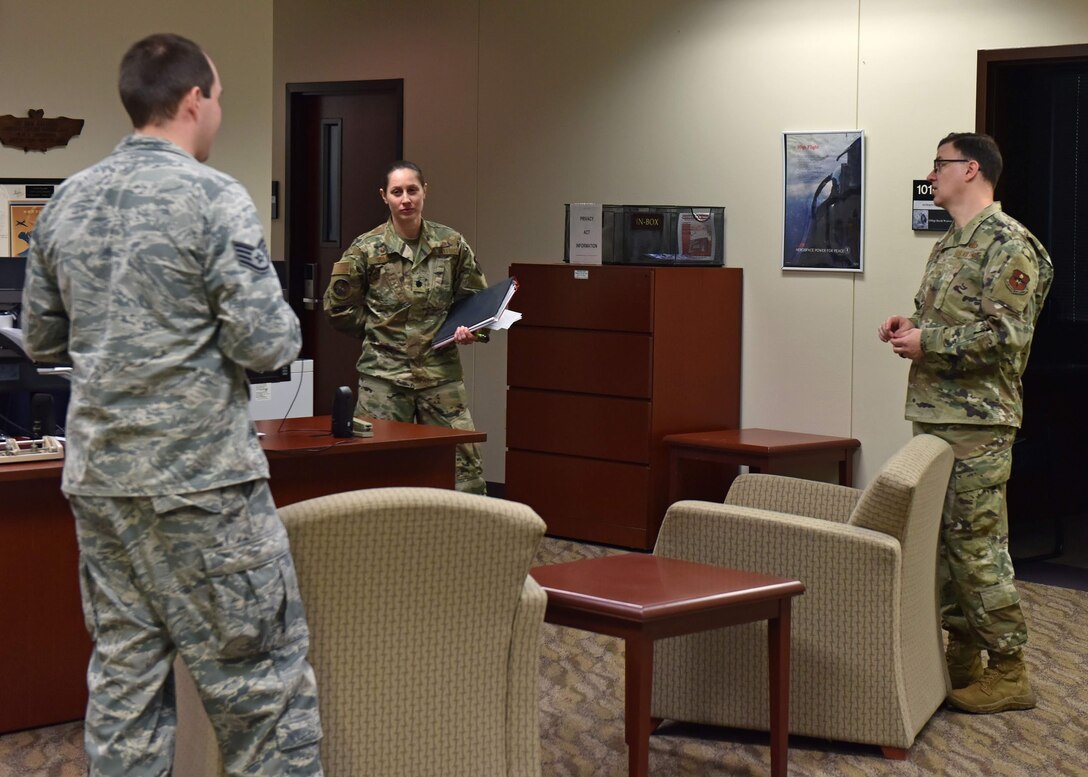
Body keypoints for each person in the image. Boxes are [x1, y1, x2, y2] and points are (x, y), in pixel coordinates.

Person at [22, 34, 323, 775]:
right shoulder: (212, 194)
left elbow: (38, 337)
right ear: (195, 99)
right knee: (262, 696)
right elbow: (265, 342)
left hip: (102, 485)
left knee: (126, 689)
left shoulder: (67, 198)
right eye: (218, 99)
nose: (218, 112)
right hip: (204, 488)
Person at [878, 132, 1053, 714]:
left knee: (977, 546)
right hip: (937, 415)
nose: (932, 172)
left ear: (969, 169)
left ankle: (1009, 668)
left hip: (978, 424)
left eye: (939, 163)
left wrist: (930, 341)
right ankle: (961, 658)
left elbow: (1006, 338)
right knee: (943, 546)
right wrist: (912, 326)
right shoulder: (952, 242)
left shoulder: (1009, 245)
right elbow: (949, 321)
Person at [323, 160, 488, 494]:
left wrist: (471, 331)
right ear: (384, 197)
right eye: (397, 192)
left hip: (439, 377)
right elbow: (337, 308)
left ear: (424, 191)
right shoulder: (366, 250)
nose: (406, 199)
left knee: (463, 472)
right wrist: (379, 332)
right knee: (374, 475)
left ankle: (464, 544)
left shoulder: (451, 244)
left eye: (412, 190)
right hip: (384, 380)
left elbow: (476, 302)